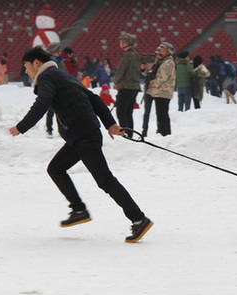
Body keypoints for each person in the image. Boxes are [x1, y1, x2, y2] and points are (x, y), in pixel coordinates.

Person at [9, 47, 153, 243]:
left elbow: (43, 102)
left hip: (83, 135)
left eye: (26, 66)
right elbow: (94, 98)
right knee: (56, 168)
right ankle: (78, 209)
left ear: (36, 63)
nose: (26, 71)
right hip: (82, 134)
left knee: (105, 180)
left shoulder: (46, 77)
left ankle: (138, 218)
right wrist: (110, 124)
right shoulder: (62, 75)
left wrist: (21, 126)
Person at [114, 33, 141, 138]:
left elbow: (121, 70)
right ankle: (130, 133)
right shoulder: (136, 54)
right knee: (128, 112)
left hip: (125, 86)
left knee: (121, 111)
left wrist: (117, 82)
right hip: (134, 87)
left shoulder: (127, 55)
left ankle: (124, 133)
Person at [147, 42, 176, 136]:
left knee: (162, 113)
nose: (160, 51)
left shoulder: (168, 63)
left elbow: (163, 77)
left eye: (163, 50)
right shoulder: (162, 62)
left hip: (164, 91)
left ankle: (164, 132)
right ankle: (163, 130)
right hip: (160, 91)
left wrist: (152, 84)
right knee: (161, 113)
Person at [141, 47, 163, 137]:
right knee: (147, 112)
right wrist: (143, 68)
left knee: (158, 112)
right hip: (149, 91)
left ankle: (159, 130)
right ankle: (144, 131)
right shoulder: (153, 64)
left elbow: (161, 77)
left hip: (157, 90)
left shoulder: (162, 64)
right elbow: (146, 73)